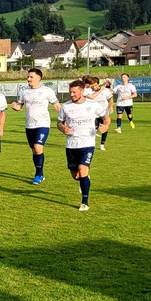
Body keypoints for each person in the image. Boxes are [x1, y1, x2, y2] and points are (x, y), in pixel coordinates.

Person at [57, 79, 110, 211]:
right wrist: (63, 129)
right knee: (76, 175)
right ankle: (83, 180)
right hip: (71, 144)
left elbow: (106, 117)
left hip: (87, 143)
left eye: (74, 92)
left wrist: (106, 126)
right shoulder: (66, 106)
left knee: (82, 169)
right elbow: (59, 123)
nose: (72, 94)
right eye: (70, 92)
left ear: (81, 91)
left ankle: (84, 202)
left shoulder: (93, 104)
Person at [10, 68, 59, 185]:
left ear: (39, 78)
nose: (28, 79)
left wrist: (64, 119)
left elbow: (57, 105)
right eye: (28, 77)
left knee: (38, 148)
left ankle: (38, 175)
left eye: (31, 77)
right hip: (29, 125)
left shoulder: (47, 91)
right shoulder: (24, 92)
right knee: (34, 150)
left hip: (43, 124)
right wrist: (15, 106)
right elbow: (19, 106)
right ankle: (40, 174)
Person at [85, 76, 112, 150]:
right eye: (92, 86)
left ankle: (102, 144)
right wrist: (101, 89)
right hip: (94, 114)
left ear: (98, 84)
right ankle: (91, 144)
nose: (94, 87)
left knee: (105, 128)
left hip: (104, 113)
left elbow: (110, 98)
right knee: (93, 129)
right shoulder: (88, 91)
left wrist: (111, 106)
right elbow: (91, 97)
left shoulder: (105, 90)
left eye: (95, 85)